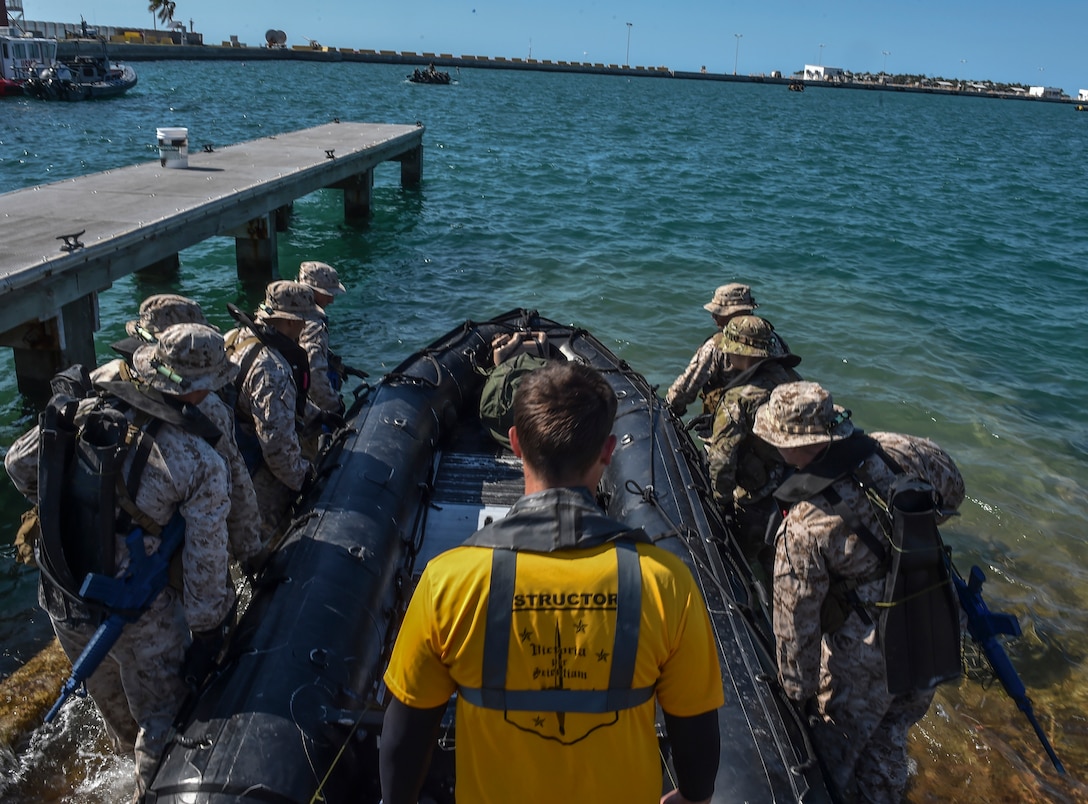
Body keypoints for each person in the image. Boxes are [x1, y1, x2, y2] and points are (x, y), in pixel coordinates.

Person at [381, 361, 724, 804]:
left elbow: (402, 739)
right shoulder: (664, 583)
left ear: (516, 443)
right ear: (608, 451)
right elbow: (698, 740)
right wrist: (693, 796)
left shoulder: (449, 581)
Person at [4, 323, 237, 796]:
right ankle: (155, 790)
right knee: (161, 723)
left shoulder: (88, 410)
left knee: (118, 716)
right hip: (137, 617)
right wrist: (211, 632)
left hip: (64, 597)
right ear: (199, 389)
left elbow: (18, 464)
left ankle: (125, 774)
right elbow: (205, 568)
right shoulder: (198, 459)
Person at [752, 381, 965, 803]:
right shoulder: (891, 449)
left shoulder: (804, 523)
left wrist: (797, 696)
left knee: (836, 759)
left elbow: (796, 621)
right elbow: (951, 486)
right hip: (933, 618)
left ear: (795, 446)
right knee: (890, 734)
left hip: (870, 655)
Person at [95, 294, 265, 571]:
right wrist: (250, 552)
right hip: (142, 570)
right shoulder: (206, 408)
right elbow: (235, 482)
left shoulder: (106, 377)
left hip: (76, 562)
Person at [224, 279, 323, 540]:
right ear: (290, 321)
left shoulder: (238, 337)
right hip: (252, 460)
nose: (306, 326)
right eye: (303, 320)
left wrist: (315, 413)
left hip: (232, 444)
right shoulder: (271, 370)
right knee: (269, 532)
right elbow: (277, 447)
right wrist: (305, 479)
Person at [705, 315, 801, 574]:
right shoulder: (792, 379)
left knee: (741, 567)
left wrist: (722, 502)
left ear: (738, 351)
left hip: (754, 499)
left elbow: (722, 457)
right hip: (793, 489)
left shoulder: (739, 397)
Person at [665, 283, 759, 420]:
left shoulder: (717, 346)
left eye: (719, 312)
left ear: (735, 313)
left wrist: (670, 406)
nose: (713, 316)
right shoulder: (774, 340)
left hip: (727, 425)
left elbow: (686, 387)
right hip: (766, 427)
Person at [296, 260, 348, 415]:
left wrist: (338, 367)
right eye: (328, 293)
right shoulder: (314, 325)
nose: (331, 300)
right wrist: (334, 408)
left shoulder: (286, 309)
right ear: (313, 291)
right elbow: (314, 374)